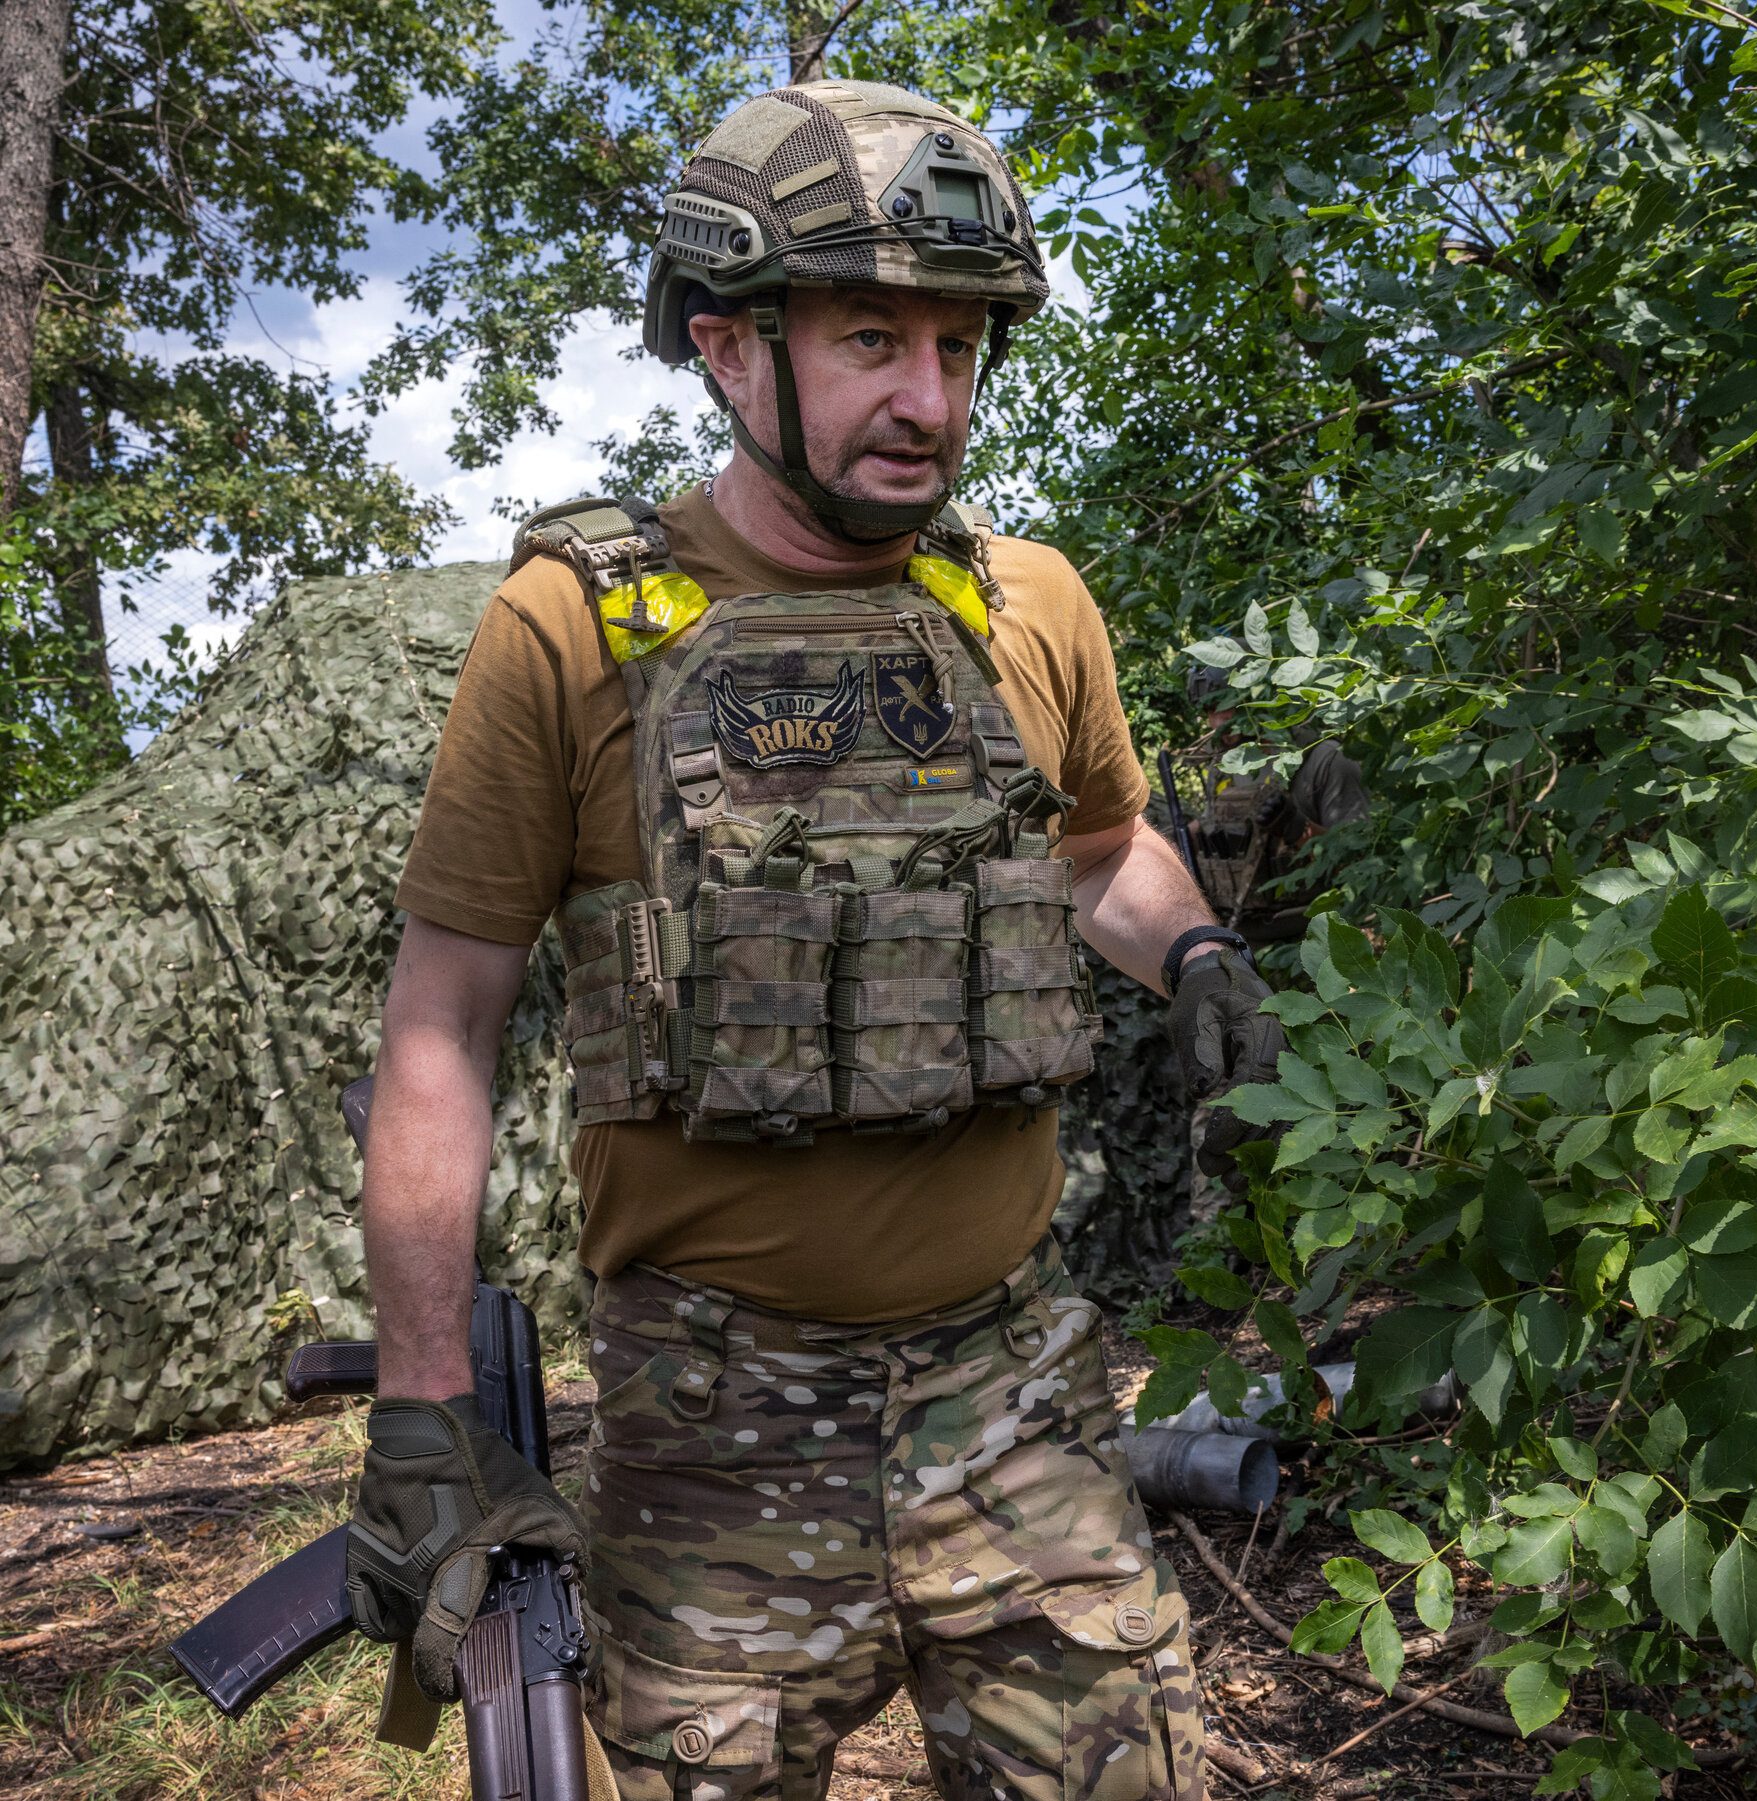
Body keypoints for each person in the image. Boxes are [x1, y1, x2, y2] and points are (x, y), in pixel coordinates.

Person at [343, 78, 1285, 1800]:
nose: (928, 401)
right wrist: (420, 1412)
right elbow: (442, 1022)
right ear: (726, 346)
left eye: (960, 348)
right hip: (717, 1423)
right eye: (870, 340)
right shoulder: (571, 628)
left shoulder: (1030, 601)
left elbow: (1097, 854)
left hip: (1016, 1391)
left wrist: (1199, 952)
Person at [1176, 656, 1370, 945]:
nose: (1215, 722)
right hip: (1241, 940)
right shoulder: (1226, 764)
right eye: (1208, 710)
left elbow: (1361, 866)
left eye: (1222, 706)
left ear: (1255, 695)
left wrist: (1298, 831)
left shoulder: (1324, 761)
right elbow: (1215, 826)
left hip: (1315, 942)